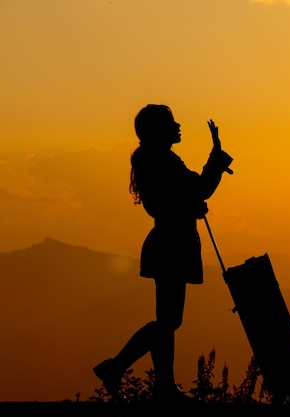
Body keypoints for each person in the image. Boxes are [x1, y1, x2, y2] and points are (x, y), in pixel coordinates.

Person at [93, 104, 233, 403]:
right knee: (168, 321)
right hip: (173, 244)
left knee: (167, 320)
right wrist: (217, 156)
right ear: (159, 130)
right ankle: (116, 367)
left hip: (168, 242)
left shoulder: (155, 159)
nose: (178, 125)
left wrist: (190, 203)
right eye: (171, 122)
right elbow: (199, 189)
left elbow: (181, 196)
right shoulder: (162, 160)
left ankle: (163, 386)